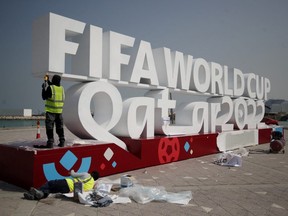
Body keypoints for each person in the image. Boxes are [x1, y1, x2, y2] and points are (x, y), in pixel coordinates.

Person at [34, 74, 65, 148]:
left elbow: (44, 97)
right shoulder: (61, 88)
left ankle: (50, 143)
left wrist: (43, 88)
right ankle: (62, 141)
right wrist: (48, 81)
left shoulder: (50, 88)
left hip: (51, 112)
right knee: (59, 128)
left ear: (53, 80)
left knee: (50, 128)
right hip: (59, 112)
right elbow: (54, 86)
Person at [23, 170, 99, 200]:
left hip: (67, 183)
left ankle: (38, 192)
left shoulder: (87, 174)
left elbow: (73, 174)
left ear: (92, 173)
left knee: (50, 183)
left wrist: (72, 170)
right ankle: (36, 195)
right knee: (51, 190)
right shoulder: (91, 185)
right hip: (67, 190)